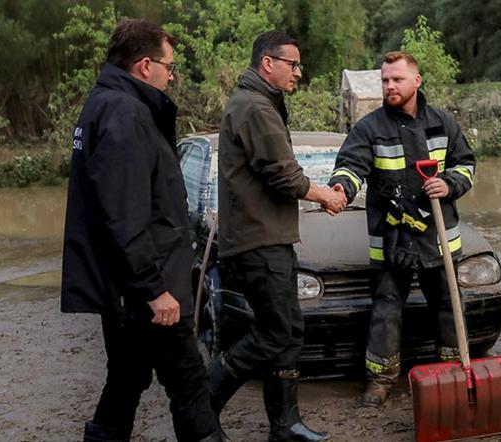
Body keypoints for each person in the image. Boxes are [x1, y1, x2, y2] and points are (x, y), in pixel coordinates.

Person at [61, 19, 222, 442]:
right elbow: (123, 213)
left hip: (124, 287)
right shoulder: (126, 113)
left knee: (127, 379)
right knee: (189, 383)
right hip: (147, 291)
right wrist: (154, 289)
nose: (172, 76)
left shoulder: (105, 103)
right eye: (169, 66)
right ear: (145, 65)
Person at [208, 30, 343, 442]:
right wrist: (324, 195)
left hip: (267, 237)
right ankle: (199, 405)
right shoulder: (254, 106)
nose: (298, 73)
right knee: (276, 332)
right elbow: (282, 175)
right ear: (268, 63)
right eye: (293, 64)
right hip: (258, 240)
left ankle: (285, 425)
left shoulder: (259, 102)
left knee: (288, 329)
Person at [328, 51, 476, 406]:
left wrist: (450, 184)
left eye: (396, 79)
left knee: (447, 307)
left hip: (438, 239)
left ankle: (454, 372)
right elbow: (351, 165)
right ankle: (380, 381)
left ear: (417, 81)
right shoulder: (369, 128)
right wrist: (340, 189)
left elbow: (467, 164)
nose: (389, 86)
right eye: (385, 80)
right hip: (392, 238)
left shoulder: (442, 123)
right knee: (386, 310)